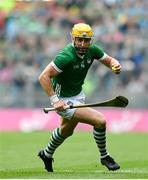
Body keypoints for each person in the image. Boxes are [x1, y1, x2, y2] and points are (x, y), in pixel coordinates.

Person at [38, 23, 121, 172]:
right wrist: (55, 100)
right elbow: (44, 76)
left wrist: (115, 65)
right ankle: (105, 157)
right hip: (63, 99)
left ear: (91, 41)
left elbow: (109, 60)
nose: (83, 44)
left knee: (66, 131)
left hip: (78, 95)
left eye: (86, 40)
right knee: (100, 121)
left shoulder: (93, 50)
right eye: (79, 40)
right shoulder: (66, 56)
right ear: (73, 39)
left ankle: (46, 154)